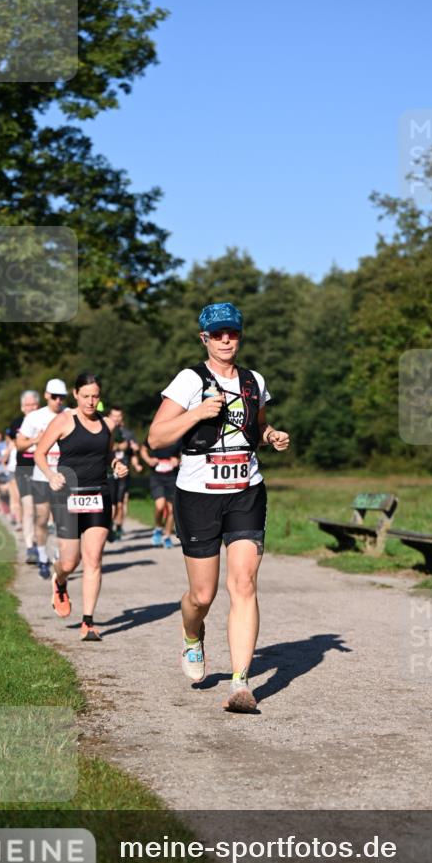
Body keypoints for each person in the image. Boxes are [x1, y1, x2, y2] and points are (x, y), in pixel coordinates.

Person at [148, 302, 290, 713]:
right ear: (204, 338)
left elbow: (256, 426)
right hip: (198, 494)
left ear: (240, 336)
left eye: (233, 333)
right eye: (218, 334)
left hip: (246, 489)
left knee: (243, 583)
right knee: (202, 594)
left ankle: (240, 683)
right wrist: (196, 413)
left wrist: (271, 435)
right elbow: (156, 438)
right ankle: (193, 636)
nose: (226, 339)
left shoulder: (253, 380)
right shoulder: (189, 380)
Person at [34, 373, 128, 642]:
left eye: (95, 396)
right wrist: (52, 476)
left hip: (98, 494)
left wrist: (116, 465)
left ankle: (88, 622)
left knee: (94, 559)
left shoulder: (108, 423)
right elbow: (40, 453)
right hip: (67, 497)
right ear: (75, 395)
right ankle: (60, 580)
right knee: (69, 561)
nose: (90, 401)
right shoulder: (64, 420)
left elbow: (108, 454)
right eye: (85, 396)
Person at [16, 378, 68, 579]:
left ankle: (58, 558)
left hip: (64, 476)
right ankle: (42, 558)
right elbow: (19, 444)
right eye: (54, 397)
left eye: (61, 397)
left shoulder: (70, 415)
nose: (58, 401)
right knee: (42, 519)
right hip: (41, 476)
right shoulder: (34, 417)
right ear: (46, 395)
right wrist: (38, 439)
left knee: (62, 520)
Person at [8, 390, 40, 563]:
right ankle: (30, 547)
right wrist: (35, 440)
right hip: (24, 469)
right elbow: (19, 445)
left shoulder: (46, 421)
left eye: (34, 404)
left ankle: (40, 545)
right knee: (28, 509)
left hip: (42, 469)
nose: (31, 408)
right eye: (27, 405)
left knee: (41, 511)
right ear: (22, 407)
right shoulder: (17, 423)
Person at [106, 406, 142, 541]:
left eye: (119, 416)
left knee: (122, 502)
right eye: (114, 416)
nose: (116, 419)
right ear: (109, 416)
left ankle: (119, 527)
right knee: (111, 503)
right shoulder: (104, 431)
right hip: (109, 471)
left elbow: (133, 452)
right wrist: (117, 446)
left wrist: (136, 463)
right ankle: (109, 527)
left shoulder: (128, 433)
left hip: (124, 471)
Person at [140, 436, 181, 548]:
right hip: (157, 476)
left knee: (172, 509)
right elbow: (143, 449)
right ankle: (158, 528)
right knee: (160, 505)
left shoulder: (179, 436)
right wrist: (148, 460)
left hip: (172, 477)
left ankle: (167, 536)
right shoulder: (156, 433)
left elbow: (186, 453)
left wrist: (178, 460)